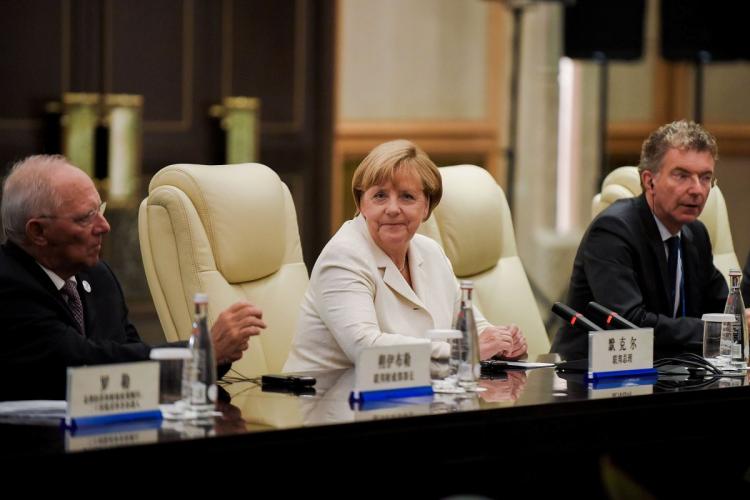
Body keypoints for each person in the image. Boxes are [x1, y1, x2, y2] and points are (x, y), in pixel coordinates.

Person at [0, 155, 266, 399]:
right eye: (85, 218)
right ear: (38, 232)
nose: (104, 226)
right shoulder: (9, 283)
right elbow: (79, 363)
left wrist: (214, 357)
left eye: (99, 210)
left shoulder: (98, 276)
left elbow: (134, 359)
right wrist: (199, 355)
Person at [284, 140, 527, 372]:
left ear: (426, 206)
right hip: (331, 403)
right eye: (379, 196)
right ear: (361, 203)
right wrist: (466, 351)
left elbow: (469, 326)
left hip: (409, 398)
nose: (392, 209)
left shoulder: (430, 252)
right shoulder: (343, 257)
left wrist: (502, 342)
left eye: (407, 196)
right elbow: (365, 348)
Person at [551, 120, 728, 360]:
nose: (697, 189)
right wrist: (713, 331)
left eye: (705, 178)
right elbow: (629, 323)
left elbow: (722, 310)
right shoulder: (613, 230)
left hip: (670, 374)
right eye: (682, 175)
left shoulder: (695, 234)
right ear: (649, 180)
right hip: (591, 379)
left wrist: (739, 321)